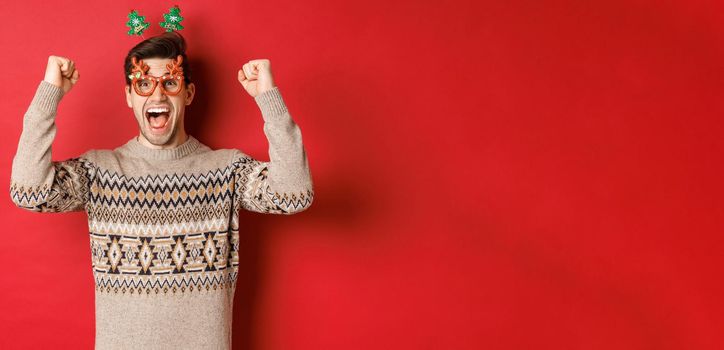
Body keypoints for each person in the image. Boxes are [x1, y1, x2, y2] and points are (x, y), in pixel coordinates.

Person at [9, 31, 314, 349]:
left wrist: (269, 98)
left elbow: (295, 193)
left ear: (189, 93)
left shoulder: (227, 171)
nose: (157, 96)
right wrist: (49, 94)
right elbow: (29, 191)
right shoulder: (98, 172)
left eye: (170, 83)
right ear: (129, 95)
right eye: (144, 84)